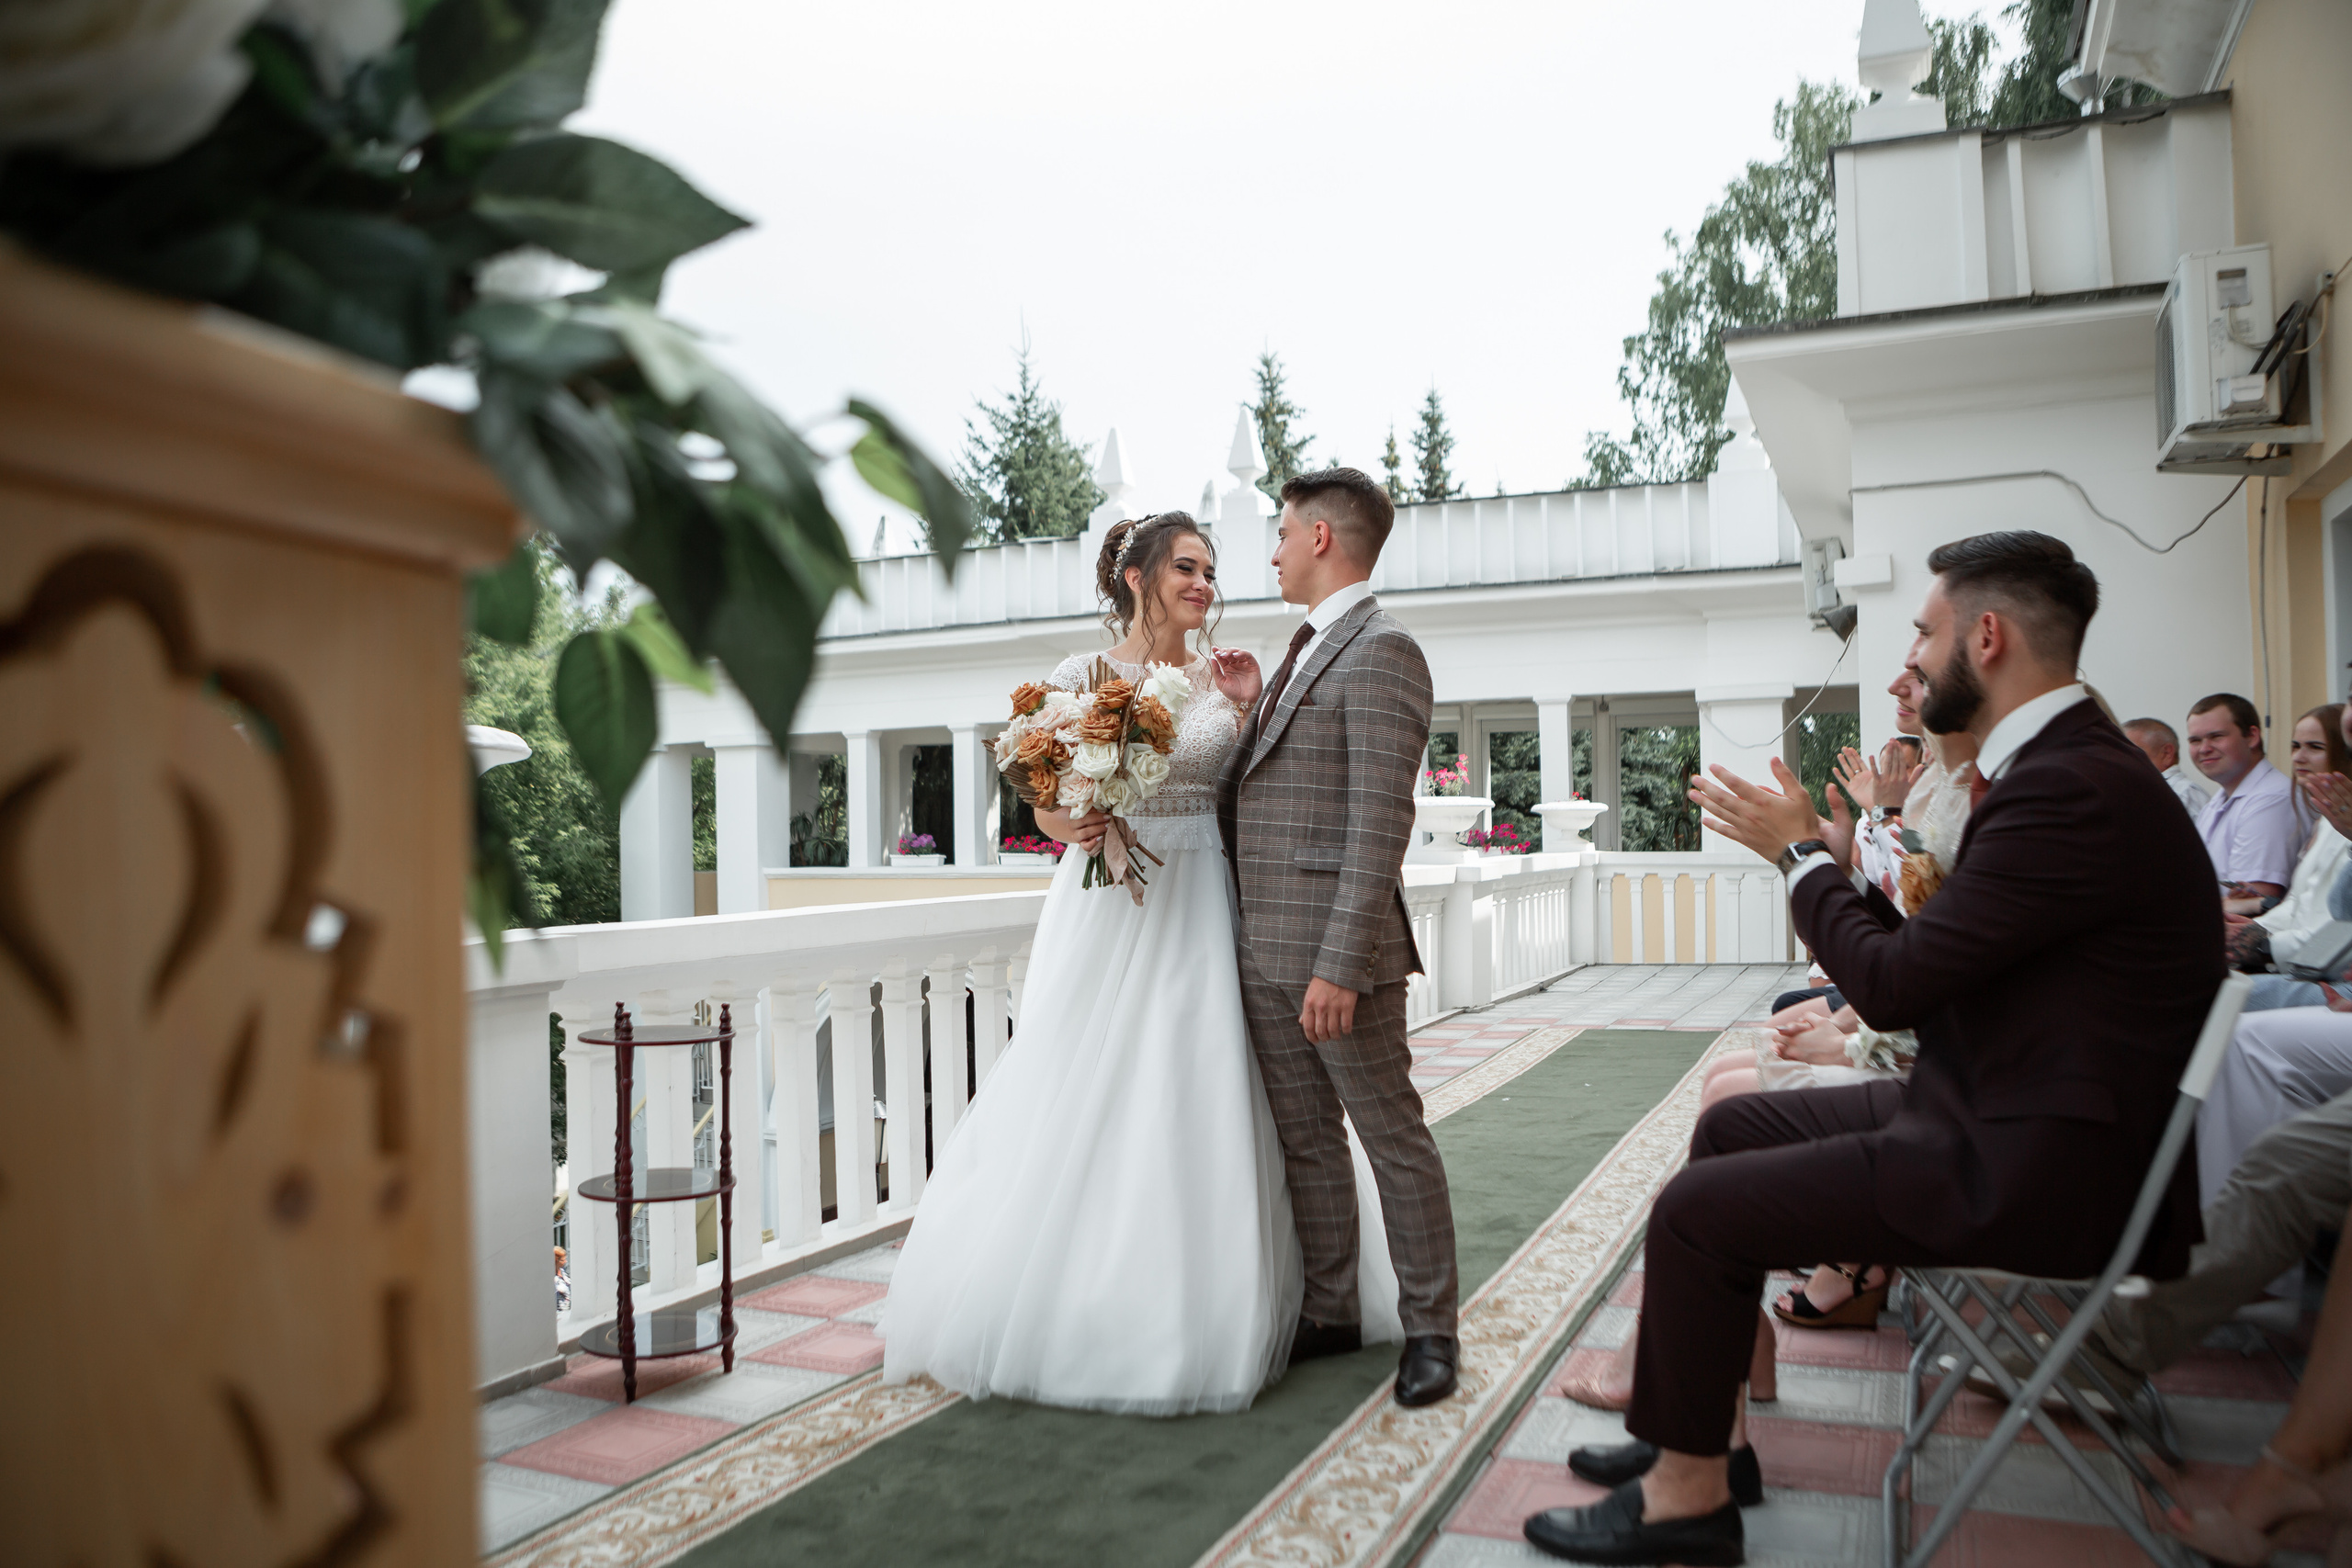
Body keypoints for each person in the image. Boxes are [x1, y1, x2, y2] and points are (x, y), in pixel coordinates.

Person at [1522, 531, 2220, 1565]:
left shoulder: (2068, 789)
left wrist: (1803, 857)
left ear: (1985, 638)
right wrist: (1826, 871)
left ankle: (1687, 1508)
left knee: (1694, 1213)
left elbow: (1891, 989)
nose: (1911, 661)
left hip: (2044, 1166)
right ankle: (1711, 1442)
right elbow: (1927, 972)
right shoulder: (2060, 774)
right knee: (1731, 1132)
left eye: (1924, 634)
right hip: (2002, 1111)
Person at [879, 510, 1405, 1416]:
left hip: (1213, 894)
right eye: (1186, 568)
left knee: (1209, 1082)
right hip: (1108, 901)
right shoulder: (1077, 680)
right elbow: (1044, 804)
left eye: (1210, 569)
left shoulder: (1229, 674)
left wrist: (1245, 709)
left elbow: (1267, 787)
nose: (1204, 584)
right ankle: (1093, 1302)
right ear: (1136, 576)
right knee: (1092, 1087)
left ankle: (1257, 1296)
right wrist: (1069, 820)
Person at [1215, 467, 1462, 1407]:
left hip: (1333, 960)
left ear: (1320, 539)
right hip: (1259, 945)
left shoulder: (1384, 648)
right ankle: (1330, 1311)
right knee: (1305, 1139)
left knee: (1390, 1137)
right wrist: (1247, 711)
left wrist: (1338, 965)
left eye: (1279, 533)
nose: (1270, 550)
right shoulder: (1302, 647)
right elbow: (1272, 789)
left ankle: (1432, 1330)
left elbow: (1375, 825)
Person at [2189, 693, 2299, 904]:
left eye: (2216, 736)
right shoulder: (2218, 800)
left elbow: (2255, 899)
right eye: (2195, 740)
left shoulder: (2272, 798)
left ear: (2252, 737)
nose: (2204, 748)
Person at [2125, 716, 2216, 817]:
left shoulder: (2184, 793)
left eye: (2131, 752)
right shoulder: (2140, 792)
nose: (2122, 760)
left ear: (2166, 753)